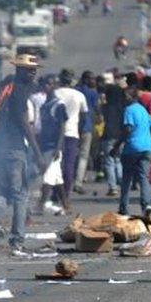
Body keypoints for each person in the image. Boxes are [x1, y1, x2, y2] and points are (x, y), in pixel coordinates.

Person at [0, 54, 45, 251]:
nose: (33, 71)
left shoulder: (7, 86)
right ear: (19, 70)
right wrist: (37, 151)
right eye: (29, 68)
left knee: (10, 189)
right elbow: (22, 121)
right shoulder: (18, 90)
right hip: (15, 146)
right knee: (20, 194)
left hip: (2, 147)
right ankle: (17, 240)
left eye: (34, 68)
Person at [116, 87, 151, 218]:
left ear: (130, 97)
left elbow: (128, 128)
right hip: (147, 147)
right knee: (144, 177)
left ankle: (123, 207)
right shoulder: (142, 109)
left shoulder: (128, 110)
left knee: (127, 178)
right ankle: (147, 204)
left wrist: (116, 146)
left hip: (132, 148)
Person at [54, 69, 88, 213]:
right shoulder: (79, 95)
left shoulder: (55, 93)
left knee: (55, 166)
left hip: (55, 134)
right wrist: (79, 131)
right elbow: (85, 116)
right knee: (69, 166)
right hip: (72, 133)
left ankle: (56, 195)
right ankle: (66, 195)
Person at [36, 75, 67, 215]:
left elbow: (62, 127)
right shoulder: (44, 106)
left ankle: (41, 204)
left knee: (48, 176)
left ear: (54, 86)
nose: (46, 87)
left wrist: (59, 147)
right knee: (56, 177)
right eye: (44, 84)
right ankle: (66, 204)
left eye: (49, 84)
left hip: (54, 146)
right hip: (45, 145)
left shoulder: (59, 105)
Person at [74, 71, 100, 192]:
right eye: (91, 79)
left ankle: (71, 178)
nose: (93, 81)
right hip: (87, 127)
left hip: (73, 126)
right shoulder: (92, 93)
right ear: (86, 79)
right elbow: (97, 109)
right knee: (83, 156)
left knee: (73, 154)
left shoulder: (74, 90)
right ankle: (78, 182)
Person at [100, 75, 126, 197]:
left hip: (108, 136)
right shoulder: (123, 108)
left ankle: (113, 187)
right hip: (120, 137)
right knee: (118, 160)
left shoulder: (106, 107)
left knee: (109, 162)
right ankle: (122, 183)